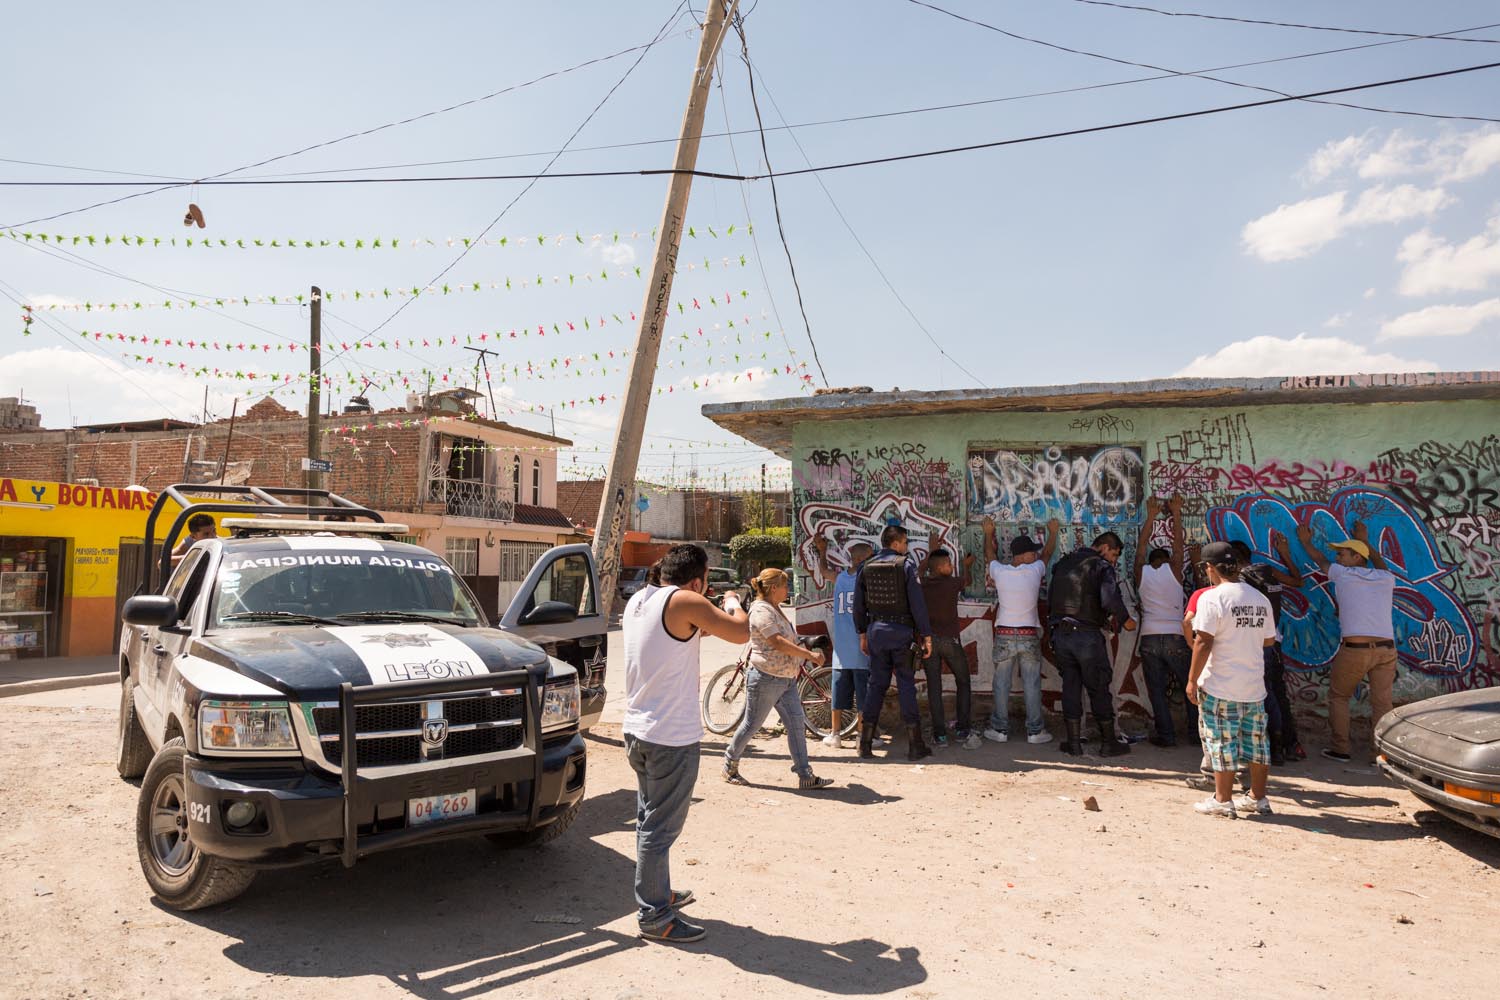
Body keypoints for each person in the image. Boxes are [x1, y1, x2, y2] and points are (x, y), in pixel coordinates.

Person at [622, 543, 750, 944]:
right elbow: (740, 631)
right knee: (660, 828)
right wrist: (732, 600)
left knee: (649, 819)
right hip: (669, 738)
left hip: (638, 729)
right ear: (697, 581)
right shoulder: (684, 601)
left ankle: (658, 892)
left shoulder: (640, 599)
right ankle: (654, 915)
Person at [1186, 541, 1278, 817]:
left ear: (1209, 568)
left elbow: (1202, 642)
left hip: (1220, 683)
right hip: (1253, 685)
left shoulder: (1212, 598)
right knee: (1257, 743)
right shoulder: (1259, 598)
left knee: (1221, 741)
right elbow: (1269, 640)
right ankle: (1257, 798)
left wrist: (1192, 680)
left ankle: (1223, 800)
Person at [723, 568, 835, 791]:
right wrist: (809, 655)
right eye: (785, 586)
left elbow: (786, 639)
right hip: (766, 678)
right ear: (774, 588)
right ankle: (730, 765)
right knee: (752, 725)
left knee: (795, 724)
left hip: (785, 679)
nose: (788, 590)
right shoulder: (761, 610)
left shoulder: (776, 608)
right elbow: (776, 642)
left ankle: (805, 775)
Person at [1294, 521, 1397, 763]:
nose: (1337, 557)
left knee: (1339, 697)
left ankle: (1341, 749)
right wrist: (1366, 541)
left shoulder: (1342, 574)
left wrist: (1306, 542)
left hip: (1356, 649)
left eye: (1342, 553)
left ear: (1357, 558)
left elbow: (1319, 559)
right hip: (1386, 650)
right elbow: (1380, 564)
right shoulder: (1384, 578)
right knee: (1382, 703)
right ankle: (1382, 753)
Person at [1047, 531, 1136, 756]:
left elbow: (1051, 599)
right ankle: (1108, 743)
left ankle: (1074, 743)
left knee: (1071, 687)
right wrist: (1125, 620)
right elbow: (1109, 599)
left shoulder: (1063, 563)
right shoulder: (1100, 566)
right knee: (1098, 688)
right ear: (1104, 547)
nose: (1114, 561)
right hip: (1087, 636)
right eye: (1114, 555)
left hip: (1061, 635)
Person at [854, 524, 934, 761]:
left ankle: (865, 744)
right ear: (897, 543)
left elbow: (858, 605)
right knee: (906, 684)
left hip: (876, 632)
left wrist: (862, 634)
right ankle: (915, 745)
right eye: (905, 542)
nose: (906, 546)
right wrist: (926, 635)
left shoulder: (865, 567)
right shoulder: (906, 565)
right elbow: (917, 604)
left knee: (876, 685)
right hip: (901, 633)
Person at [981, 516, 1060, 745]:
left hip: (1004, 633)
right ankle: (1035, 731)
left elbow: (990, 556)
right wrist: (1053, 532)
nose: (1035, 555)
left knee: (1001, 683)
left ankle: (1000, 730)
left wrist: (988, 533)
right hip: (1028, 634)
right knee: (1032, 684)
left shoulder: (1001, 572)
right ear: (1023, 555)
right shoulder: (1035, 571)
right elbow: (1047, 553)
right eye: (1031, 552)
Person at [1229, 538, 1306, 765]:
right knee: (1277, 696)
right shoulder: (1267, 571)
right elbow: (1298, 581)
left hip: (1251, 645)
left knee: (1256, 698)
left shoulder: (1240, 580)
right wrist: (1285, 553)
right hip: (1274, 643)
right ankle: (1288, 745)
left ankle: (1265, 748)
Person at [1134, 496, 1193, 748]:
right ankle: (1196, 735)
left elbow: (1140, 547)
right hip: (1175, 636)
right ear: (1167, 561)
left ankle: (1166, 736)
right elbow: (1179, 546)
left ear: (1150, 561)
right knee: (1189, 687)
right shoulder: (1175, 571)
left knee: (1156, 690)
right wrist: (1176, 513)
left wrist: (1151, 515)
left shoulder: (1141, 573)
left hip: (1149, 637)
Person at [918, 537, 978, 749]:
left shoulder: (923, 584)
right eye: (948, 564)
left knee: (935, 688)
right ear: (940, 567)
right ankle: (963, 730)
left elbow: (918, 573)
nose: (951, 567)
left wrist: (930, 552)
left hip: (929, 643)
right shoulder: (952, 583)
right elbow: (967, 581)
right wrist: (967, 566)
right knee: (963, 681)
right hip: (950, 642)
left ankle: (940, 735)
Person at [817, 537, 876, 750]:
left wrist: (822, 550)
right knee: (863, 695)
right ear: (861, 559)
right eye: (870, 556)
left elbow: (823, 571)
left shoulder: (840, 578)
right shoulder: (867, 579)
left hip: (841, 650)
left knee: (839, 694)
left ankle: (835, 735)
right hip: (861, 649)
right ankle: (861, 735)